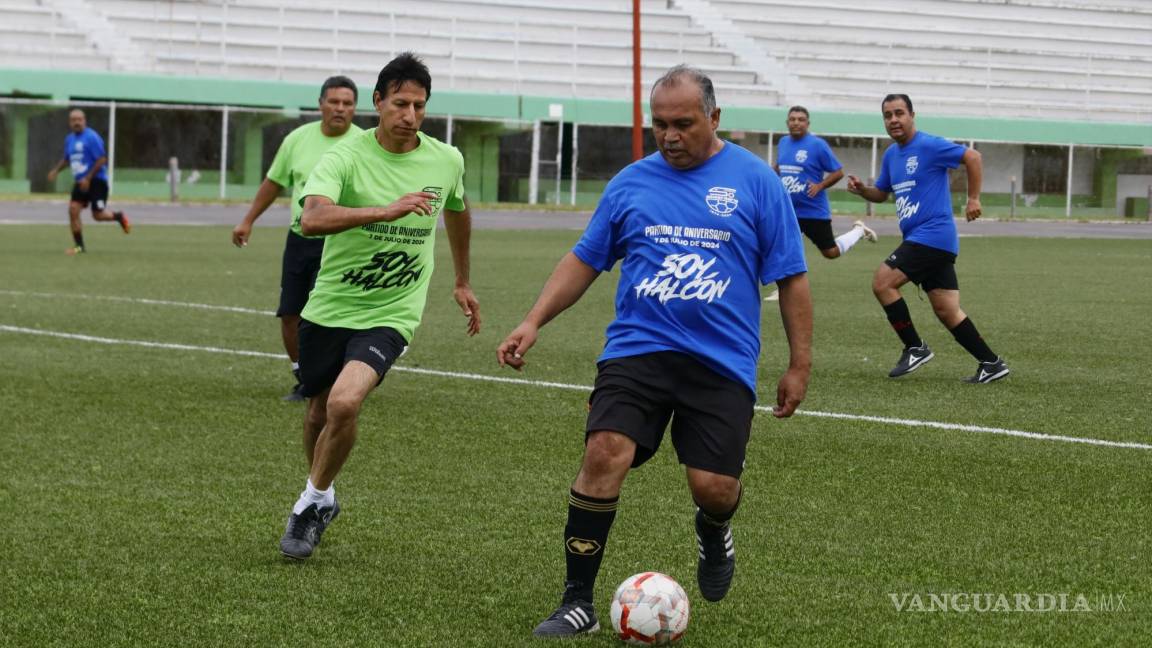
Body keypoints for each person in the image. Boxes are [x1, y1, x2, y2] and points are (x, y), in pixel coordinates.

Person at [497, 65, 813, 638]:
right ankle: (577, 601)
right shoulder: (631, 183)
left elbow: (791, 276)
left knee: (713, 488)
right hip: (638, 350)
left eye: (684, 124)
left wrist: (799, 364)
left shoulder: (755, 181)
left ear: (714, 119)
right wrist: (532, 319)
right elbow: (585, 260)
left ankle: (714, 528)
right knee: (603, 454)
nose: (670, 136)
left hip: (721, 362)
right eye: (660, 124)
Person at [277, 52, 481, 560]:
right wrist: (383, 210)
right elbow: (312, 219)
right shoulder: (346, 156)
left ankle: (307, 504)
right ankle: (322, 493)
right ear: (378, 102)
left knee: (346, 402)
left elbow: (456, 209)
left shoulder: (445, 159)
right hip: (330, 305)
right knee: (318, 414)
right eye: (399, 103)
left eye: (419, 105)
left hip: (393, 311)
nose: (409, 114)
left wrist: (461, 279)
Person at [846, 94, 1009, 384]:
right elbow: (882, 193)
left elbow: (973, 157)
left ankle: (915, 347)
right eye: (887, 115)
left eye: (899, 113)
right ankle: (991, 363)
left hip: (933, 236)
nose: (893, 120)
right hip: (929, 242)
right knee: (947, 310)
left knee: (882, 282)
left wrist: (973, 198)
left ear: (912, 115)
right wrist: (863, 190)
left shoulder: (930, 145)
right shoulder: (891, 155)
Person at [233, 76, 361, 401]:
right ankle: (303, 374)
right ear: (320, 104)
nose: (340, 109)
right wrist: (248, 220)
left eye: (347, 103)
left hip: (343, 241)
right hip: (300, 238)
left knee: (328, 314)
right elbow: (274, 182)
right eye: (334, 101)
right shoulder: (297, 140)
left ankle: (341, 376)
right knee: (291, 313)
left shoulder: (365, 144)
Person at [766, 106, 876, 301]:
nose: (796, 122)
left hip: (814, 212)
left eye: (801, 119)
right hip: (790, 210)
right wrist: (769, 176)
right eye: (792, 119)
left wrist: (820, 186)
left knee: (831, 252)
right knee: (783, 247)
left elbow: (838, 172)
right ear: (787, 123)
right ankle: (782, 288)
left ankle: (858, 230)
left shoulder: (817, 145)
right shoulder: (783, 142)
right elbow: (779, 167)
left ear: (807, 123)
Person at [46, 108, 130, 254]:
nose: (77, 122)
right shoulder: (69, 139)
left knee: (98, 215)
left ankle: (119, 217)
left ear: (84, 121)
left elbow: (102, 159)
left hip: (97, 181)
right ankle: (79, 246)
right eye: (73, 120)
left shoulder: (92, 137)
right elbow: (67, 159)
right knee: (73, 210)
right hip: (80, 182)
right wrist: (55, 171)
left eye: (79, 119)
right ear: (70, 122)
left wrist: (88, 178)